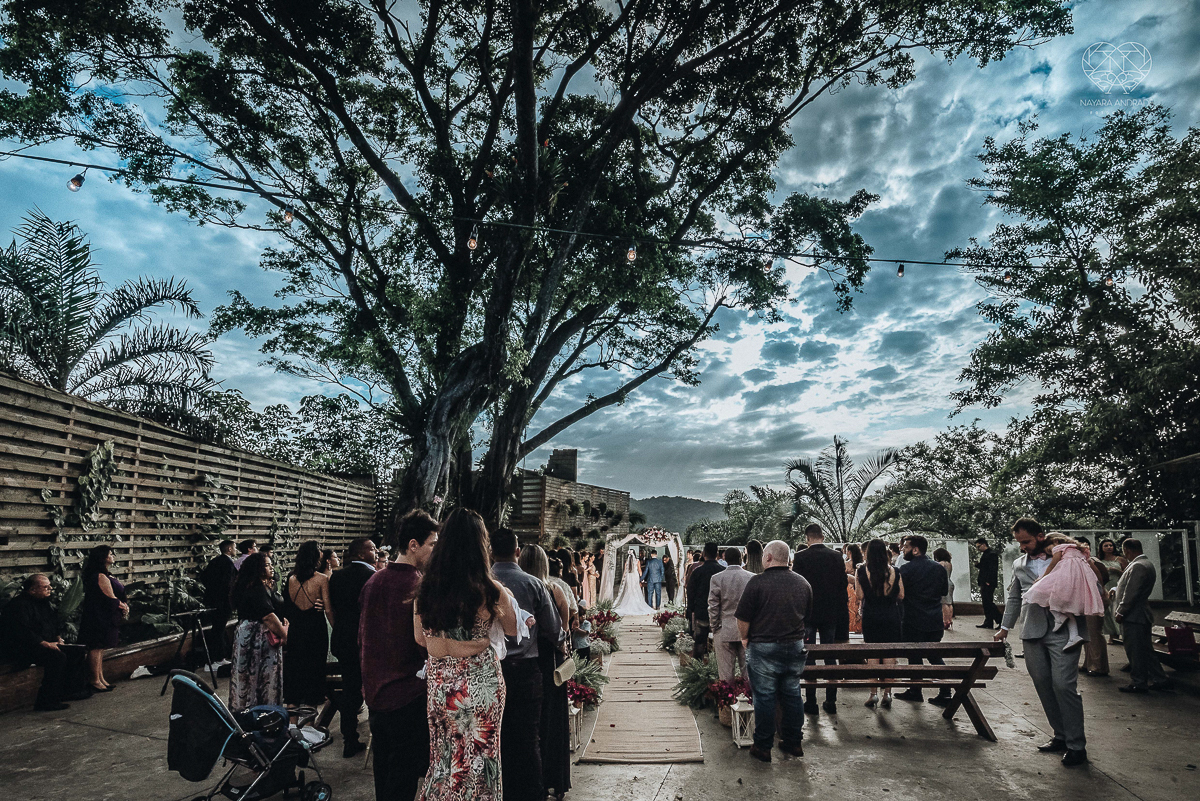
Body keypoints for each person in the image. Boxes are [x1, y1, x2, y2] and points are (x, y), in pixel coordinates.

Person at [417, 510, 518, 801]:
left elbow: (420, 638)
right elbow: (513, 629)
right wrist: (478, 640)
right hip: (479, 682)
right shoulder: (490, 589)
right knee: (481, 757)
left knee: (444, 758)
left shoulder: (426, 588)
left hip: (440, 682)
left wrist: (448, 643)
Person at [996, 518, 1089, 766]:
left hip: (1065, 629)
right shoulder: (1019, 564)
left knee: (1063, 685)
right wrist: (1004, 628)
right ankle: (1061, 735)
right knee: (1043, 685)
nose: (1022, 547)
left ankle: (1077, 746)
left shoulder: (1068, 556)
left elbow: (1089, 580)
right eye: (1019, 543)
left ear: (1040, 536)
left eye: (1026, 541)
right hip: (1032, 630)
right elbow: (1014, 598)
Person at [360, 511, 437, 801]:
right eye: (432, 544)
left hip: (376, 695)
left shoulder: (373, 581)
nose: (435, 551)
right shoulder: (419, 586)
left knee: (384, 776)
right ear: (413, 544)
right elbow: (425, 643)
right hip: (407, 694)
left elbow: (362, 638)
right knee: (404, 780)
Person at [491, 527, 563, 801]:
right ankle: (532, 794)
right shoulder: (533, 584)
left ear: (490, 552)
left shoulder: (481, 582)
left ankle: (501, 791)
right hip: (526, 670)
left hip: (490, 671)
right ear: (517, 552)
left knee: (495, 736)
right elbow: (553, 629)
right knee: (528, 738)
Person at [735, 540, 811, 762]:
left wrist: (745, 638)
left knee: (765, 696)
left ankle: (763, 745)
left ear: (768, 557)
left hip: (763, 647)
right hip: (794, 646)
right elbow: (807, 616)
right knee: (792, 693)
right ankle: (794, 742)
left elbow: (743, 617)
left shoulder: (757, 583)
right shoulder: (803, 583)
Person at [521, 547, 572, 801]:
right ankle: (555, 780)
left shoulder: (517, 591)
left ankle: (532, 781)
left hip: (527, 662)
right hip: (551, 661)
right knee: (553, 720)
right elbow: (563, 630)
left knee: (531, 723)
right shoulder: (554, 590)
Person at [0, 574, 87, 711]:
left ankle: (70, 691)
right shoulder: (18, 606)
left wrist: (58, 638)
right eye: (46, 587)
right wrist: (46, 644)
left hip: (44, 644)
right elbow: (23, 632)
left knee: (77, 652)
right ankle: (46, 701)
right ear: (32, 590)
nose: (50, 589)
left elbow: (52, 623)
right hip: (23, 648)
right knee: (57, 658)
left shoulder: (44, 602)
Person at [791, 524, 848, 715]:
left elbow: (797, 587)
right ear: (822, 537)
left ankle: (811, 701)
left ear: (807, 538)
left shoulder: (800, 557)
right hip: (830, 614)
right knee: (830, 655)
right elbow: (842, 587)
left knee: (809, 656)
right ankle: (831, 701)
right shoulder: (836, 556)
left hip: (808, 614)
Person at [328, 537, 377, 758]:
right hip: (365, 641)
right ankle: (376, 735)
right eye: (371, 549)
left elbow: (333, 608)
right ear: (359, 554)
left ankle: (349, 737)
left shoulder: (337, 577)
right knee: (371, 687)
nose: (376, 551)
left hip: (343, 639)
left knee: (349, 689)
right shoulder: (372, 577)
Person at [1021, 534, 1105, 652]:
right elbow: (1095, 570)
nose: (1049, 553)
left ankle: (1059, 617)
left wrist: (1042, 578)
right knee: (1068, 607)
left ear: (1055, 541)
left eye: (1048, 550)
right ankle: (1074, 635)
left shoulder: (1059, 547)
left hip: (1066, 576)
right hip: (1080, 581)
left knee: (1043, 592)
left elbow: (1053, 564)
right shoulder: (1080, 550)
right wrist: (1100, 588)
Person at [894, 535, 952, 706]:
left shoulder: (906, 570)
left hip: (912, 619)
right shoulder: (939, 569)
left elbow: (900, 594)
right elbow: (943, 592)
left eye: (905, 547)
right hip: (934, 619)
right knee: (934, 656)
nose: (902, 549)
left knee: (914, 656)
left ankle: (916, 690)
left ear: (915, 549)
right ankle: (945, 692)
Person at [229, 552, 288, 711]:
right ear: (258, 568)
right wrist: (285, 635)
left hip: (246, 634)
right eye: (267, 565)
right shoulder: (256, 588)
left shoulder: (247, 585)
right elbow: (268, 616)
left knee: (247, 675)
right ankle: (262, 711)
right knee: (262, 676)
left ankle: (246, 709)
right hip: (258, 637)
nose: (272, 568)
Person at [1114, 538, 1173, 693]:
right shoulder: (1146, 564)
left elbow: (1131, 592)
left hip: (1134, 615)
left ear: (1127, 550)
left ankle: (1139, 682)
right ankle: (1160, 679)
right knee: (1145, 650)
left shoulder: (1138, 566)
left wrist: (1121, 611)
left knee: (1135, 651)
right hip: (1140, 614)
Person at [281, 540, 333, 707]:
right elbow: (328, 609)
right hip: (316, 627)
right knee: (316, 666)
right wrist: (336, 627)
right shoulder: (322, 579)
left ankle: (294, 703)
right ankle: (311, 704)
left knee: (296, 665)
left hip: (296, 628)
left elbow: (287, 605)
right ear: (315, 555)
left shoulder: (291, 578)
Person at [856, 539, 904, 708]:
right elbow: (902, 595)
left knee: (873, 655)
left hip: (871, 616)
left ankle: (873, 693)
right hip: (891, 616)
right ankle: (888, 693)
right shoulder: (895, 571)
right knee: (890, 655)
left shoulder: (861, 571)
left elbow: (859, 596)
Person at [78, 544, 128, 693]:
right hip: (99, 617)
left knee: (100, 648)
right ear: (103, 557)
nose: (113, 556)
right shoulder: (100, 576)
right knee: (96, 647)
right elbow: (109, 597)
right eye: (110, 554)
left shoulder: (103, 574)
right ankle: (95, 680)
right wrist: (124, 606)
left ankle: (100, 678)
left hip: (103, 616)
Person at [708, 547, 753, 681]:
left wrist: (714, 626)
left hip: (724, 628)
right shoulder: (752, 577)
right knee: (749, 674)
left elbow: (713, 606)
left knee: (725, 675)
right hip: (748, 630)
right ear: (740, 559)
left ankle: (728, 695)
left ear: (725, 559)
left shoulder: (717, 578)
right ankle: (749, 694)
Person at [199, 539, 237, 664]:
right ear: (229, 549)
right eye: (234, 547)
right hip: (223, 602)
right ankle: (218, 659)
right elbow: (228, 584)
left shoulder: (214, 561)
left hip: (212, 600)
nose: (236, 550)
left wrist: (212, 590)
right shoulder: (228, 564)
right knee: (219, 629)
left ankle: (216, 658)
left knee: (217, 628)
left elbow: (204, 577)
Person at [685, 543, 725, 659]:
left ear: (703, 554)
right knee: (720, 642)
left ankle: (697, 665)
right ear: (717, 554)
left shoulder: (697, 572)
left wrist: (691, 609)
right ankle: (717, 665)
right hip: (720, 612)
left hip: (701, 610)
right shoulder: (723, 571)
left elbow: (690, 591)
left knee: (700, 641)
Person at [1079, 544, 1110, 676]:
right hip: (1090, 600)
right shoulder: (1084, 561)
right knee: (1087, 633)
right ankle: (1088, 663)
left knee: (1094, 633)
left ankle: (1098, 666)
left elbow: (1103, 577)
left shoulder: (1090, 561)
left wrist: (1100, 590)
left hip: (1095, 600)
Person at [1098, 538, 1127, 644]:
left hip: (1118, 586)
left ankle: (1122, 634)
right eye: (1106, 545)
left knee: (1117, 609)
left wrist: (1116, 571)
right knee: (1107, 611)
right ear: (1101, 548)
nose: (1109, 547)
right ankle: (1111, 635)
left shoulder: (1120, 559)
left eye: (1110, 545)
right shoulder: (1098, 561)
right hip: (1105, 587)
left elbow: (1128, 573)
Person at [612, 550, 656, 616]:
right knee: (635, 590)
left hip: (629, 577)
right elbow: (639, 570)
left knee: (629, 590)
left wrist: (623, 579)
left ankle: (629, 604)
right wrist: (641, 578)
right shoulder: (637, 561)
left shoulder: (626, 562)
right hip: (635, 576)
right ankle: (636, 604)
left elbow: (625, 572)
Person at [975, 538, 1000, 629]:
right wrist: (978, 565)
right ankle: (988, 621)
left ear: (983, 544)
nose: (978, 549)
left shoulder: (991, 554)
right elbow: (985, 567)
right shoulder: (987, 554)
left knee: (988, 602)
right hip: (985, 581)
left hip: (988, 582)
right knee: (986, 602)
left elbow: (992, 569)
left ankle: (999, 619)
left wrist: (988, 581)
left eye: (978, 547)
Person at [933, 547, 955, 631]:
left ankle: (945, 621)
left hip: (943, 583)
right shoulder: (949, 564)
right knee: (949, 602)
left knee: (943, 603)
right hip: (950, 582)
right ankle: (950, 619)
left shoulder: (941, 564)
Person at [844, 543, 863, 635]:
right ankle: (859, 628)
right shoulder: (860, 564)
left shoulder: (846, 564)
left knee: (851, 610)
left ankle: (851, 628)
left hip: (850, 589)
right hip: (859, 588)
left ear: (849, 552)